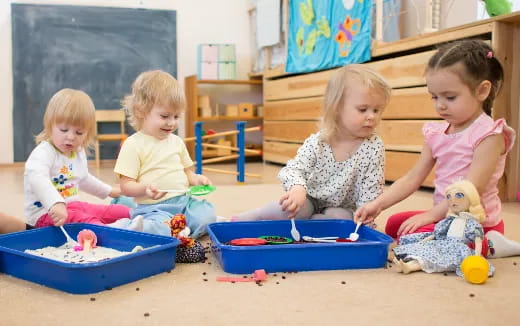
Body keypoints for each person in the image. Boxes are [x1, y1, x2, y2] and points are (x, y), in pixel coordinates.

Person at [354, 39, 520, 258]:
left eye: (450, 97)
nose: (440, 105)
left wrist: (430, 216)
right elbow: (413, 178)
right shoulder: (436, 133)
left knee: (412, 239)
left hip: (475, 223)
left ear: (482, 91)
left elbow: (470, 191)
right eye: (434, 97)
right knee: (395, 224)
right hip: (444, 217)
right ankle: (452, 241)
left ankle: (490, 244)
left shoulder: (489, 135)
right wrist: (378, 204)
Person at [234, 64, 391, 222]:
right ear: (336, 108)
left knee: (337, 218)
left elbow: (371, 192)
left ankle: (315, 222)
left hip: (343, 208)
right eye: (363, 109)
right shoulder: (319, 141)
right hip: (310, 199)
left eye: (377, 110)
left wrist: (365, 220)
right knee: (289, 210)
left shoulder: (373, 147)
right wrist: (297, 188)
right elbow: (293, 169)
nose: (371, 116)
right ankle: (257, 215)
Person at [114, 70, 216, 238]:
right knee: (161, 228)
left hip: (184, 203)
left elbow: (186, 172)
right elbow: (126, 186)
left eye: (176, 116)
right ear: (141, 111)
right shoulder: (133, 145)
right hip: (154, 208)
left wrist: (196, 179)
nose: (172, 123)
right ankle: (138, 227)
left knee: (207, 217)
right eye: (164, 116)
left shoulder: (176, 142)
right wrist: (144, 189)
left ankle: (180, 232)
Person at [24, 88, 142, 230]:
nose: (71, 137)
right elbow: (37, 178)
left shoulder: (77, 152)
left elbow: (84, 178)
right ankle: (115, 231)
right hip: (45, 214)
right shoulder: (44, 152)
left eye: (79, 132)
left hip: (71, 206)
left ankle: (139, 217)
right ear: (50, 126)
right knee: (86, 220)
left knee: (110, 211)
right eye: (63, 130)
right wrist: (55, 203)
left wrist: (109, 190)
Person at [392, 180, 494, 277]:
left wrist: (476, 258)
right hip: (443, 243)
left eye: (459, 195)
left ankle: (410, 267)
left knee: (439, 259)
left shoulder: (472, 223)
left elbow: (477, 241)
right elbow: (436, 234)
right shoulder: (450, 220)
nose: (453, 200)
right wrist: (422, 242)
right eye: (449, 197)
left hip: (458, 249)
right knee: (427, 250)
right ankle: (408, 263)